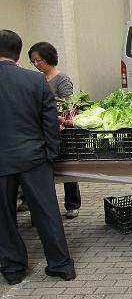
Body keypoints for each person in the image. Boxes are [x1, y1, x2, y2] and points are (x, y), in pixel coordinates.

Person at [0, 30, 76, 285]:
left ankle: (13, 269)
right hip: (34, 157)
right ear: (19, 53)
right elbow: (50, 122)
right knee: (47, 213)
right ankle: (61, 265)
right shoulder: (35, 80)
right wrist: (50, 153)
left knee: (4, 218)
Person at [28, 42, 81, 219]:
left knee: (67, 167)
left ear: (49, 58)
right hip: (40, 130)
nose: (36, 64)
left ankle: (72, 204)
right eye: (33, 61)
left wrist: (56, 114)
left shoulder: (61, 78)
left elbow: (69, 103)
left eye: (39, 60)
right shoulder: (36, 79)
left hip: (60, 129)